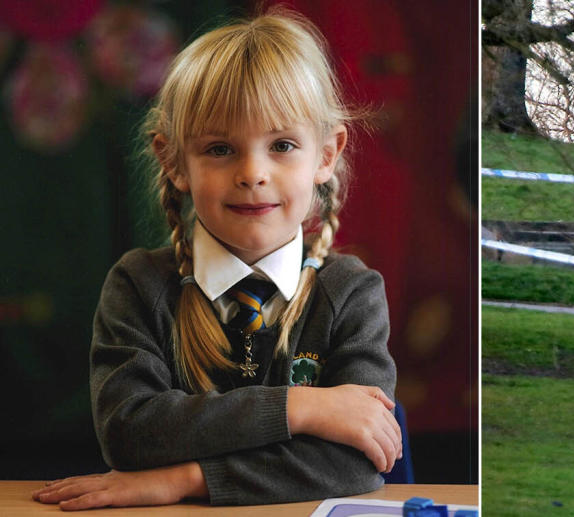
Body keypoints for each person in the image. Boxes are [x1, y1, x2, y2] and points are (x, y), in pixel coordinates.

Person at [32, 11, 401, 510]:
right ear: (174, 160)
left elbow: (357, 461)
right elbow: (129, 431)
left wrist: (185, 478)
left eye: (283, 145)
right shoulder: (138, 285)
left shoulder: (353, 293)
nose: (252, 173)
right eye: (220, 148)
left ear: (327, 154)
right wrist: (300, 408)